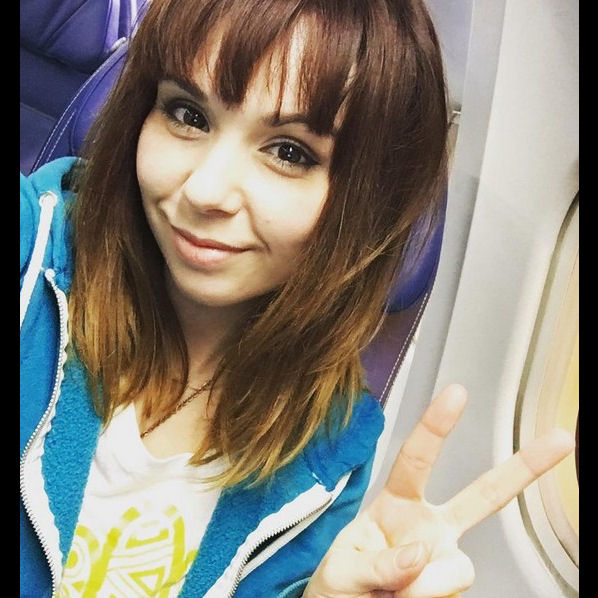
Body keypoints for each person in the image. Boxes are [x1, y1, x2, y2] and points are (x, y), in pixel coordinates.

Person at [20, 0, 574, 596]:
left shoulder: (330, 449)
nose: (205, 190)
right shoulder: (32, 255)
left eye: (289, 152)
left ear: (363, 205)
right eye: (188, 114)